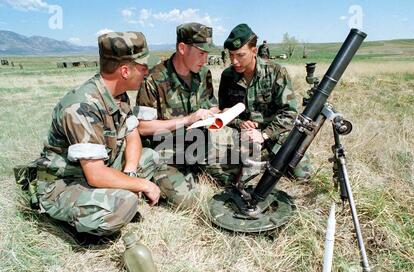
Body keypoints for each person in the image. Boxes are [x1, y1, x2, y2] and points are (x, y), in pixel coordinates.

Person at [16, 32, 162, 237]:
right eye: (143, 67)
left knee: (151, 157)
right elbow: (96, 175)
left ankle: (112, 194)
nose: (146, 73)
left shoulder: (119, 96)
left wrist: (129, 173)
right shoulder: (82, 106)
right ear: (125, 71)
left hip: (99, 168)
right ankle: (66, 219)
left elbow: (132, 135)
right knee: (124, 203)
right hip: (64, 183)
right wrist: (142, 184)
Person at [136, 22, 223, 209]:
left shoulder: (203, 74)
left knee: (237, 174)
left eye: (207, 53)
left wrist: (214, 115)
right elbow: (142, 127)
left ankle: (196, 171)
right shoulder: (154, 79)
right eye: (201, 53)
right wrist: (187, 120)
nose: (205, 59)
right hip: (167, 154)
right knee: (191, 203)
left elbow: (212, 105)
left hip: (199, 145)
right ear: (182, 48)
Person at [218, 24, 313, 180]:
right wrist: (239, 123)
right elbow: (223, 112)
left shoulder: (276, 72)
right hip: (243, 135)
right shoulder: (227, 76)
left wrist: (264, 134)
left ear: (254, 51)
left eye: (240, 55)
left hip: (274, 132)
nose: (234, 61)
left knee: (302, 175)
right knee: (230, 177)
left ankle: (269, 158)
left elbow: (289, 113)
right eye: (231, 55)